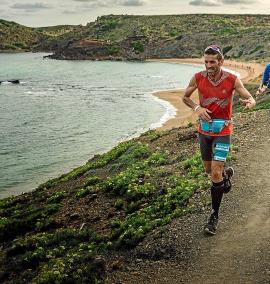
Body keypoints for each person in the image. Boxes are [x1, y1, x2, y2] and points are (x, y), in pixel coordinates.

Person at [183, 44, 256, 235]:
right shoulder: (198, 78)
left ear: (221, 61)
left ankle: (214, 215)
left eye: (212, 62)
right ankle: (226, 175)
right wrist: (197, 109)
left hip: (223, 132)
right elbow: (185, 97)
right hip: (204, 132)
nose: (208, 65)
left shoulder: (232, 79)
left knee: (215, 173)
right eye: (206, 62)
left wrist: (250, 101)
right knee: (210, 171)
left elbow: (248, 96)